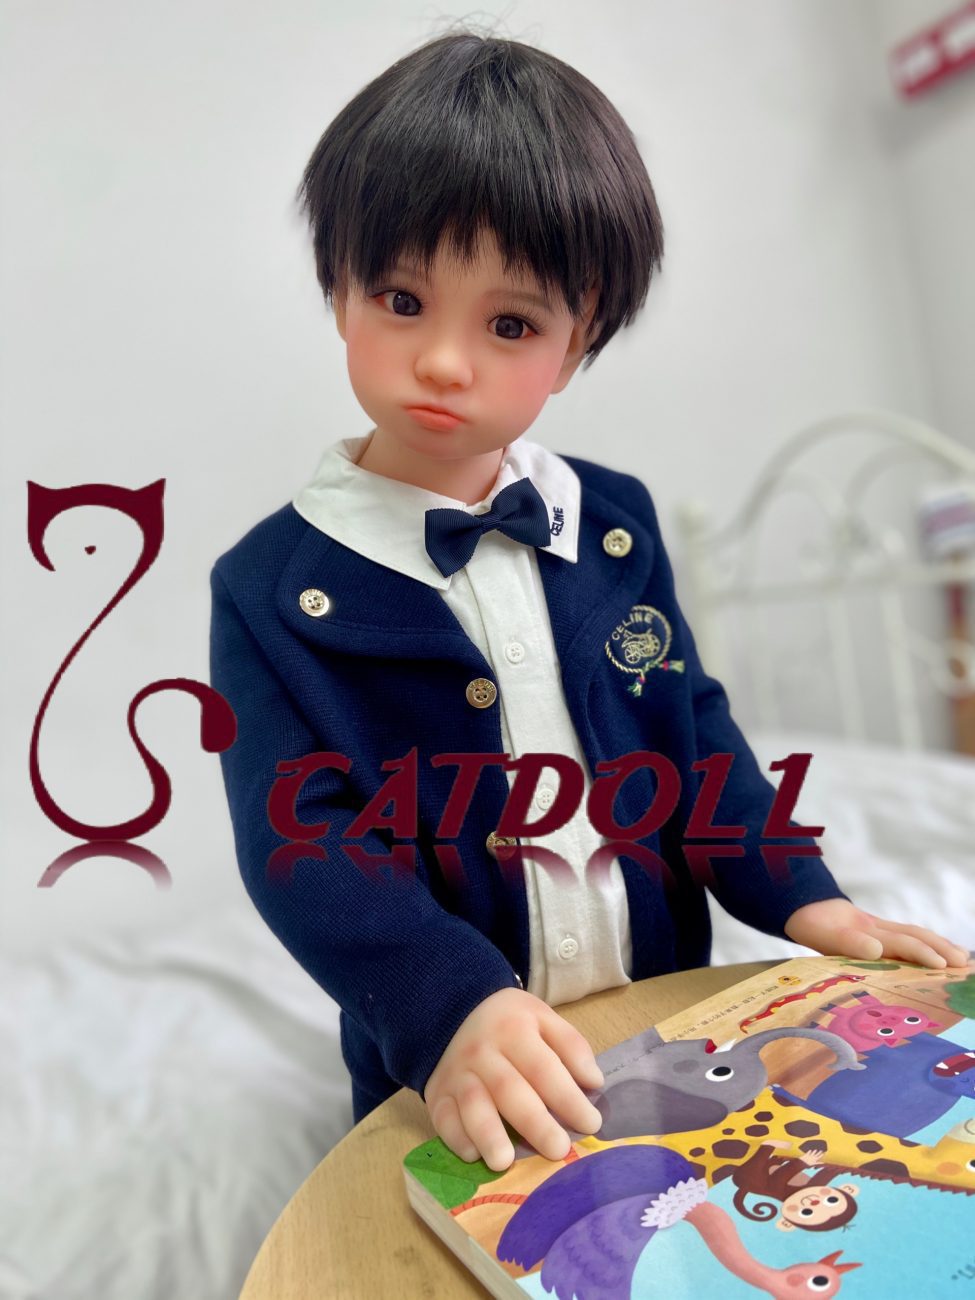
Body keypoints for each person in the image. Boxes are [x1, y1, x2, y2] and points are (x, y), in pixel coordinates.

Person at [208, 25, 969, 1174]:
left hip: (666, 1028)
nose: (446, 361)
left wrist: (801, 894)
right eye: (402, 298)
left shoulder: (613, 519)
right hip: (450, 1067)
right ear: (337, 286)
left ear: (577, 343)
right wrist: (450, 1003)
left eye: (509, 324)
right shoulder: (269, 587)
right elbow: (299, 844)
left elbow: (693, 732)